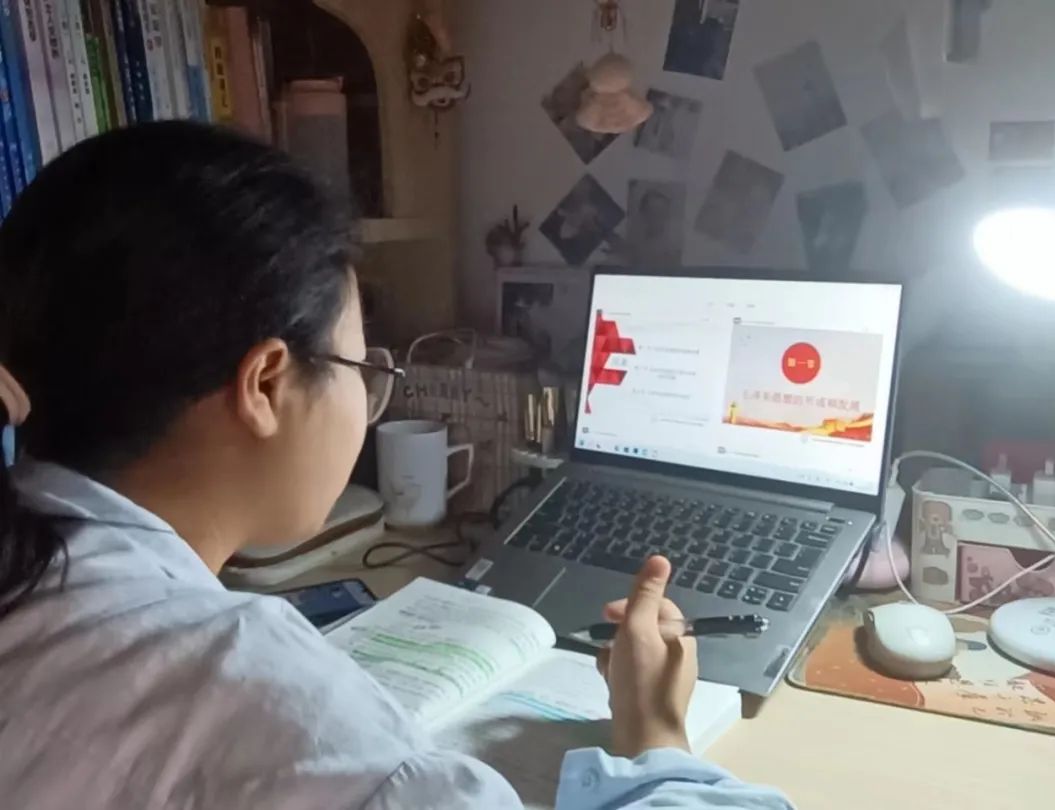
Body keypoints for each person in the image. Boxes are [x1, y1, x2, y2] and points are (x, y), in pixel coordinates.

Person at [0, 122, 792, 809]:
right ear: (266, 384)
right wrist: (657, 734)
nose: (368, 400)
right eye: (361, 367)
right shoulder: (247, 691)